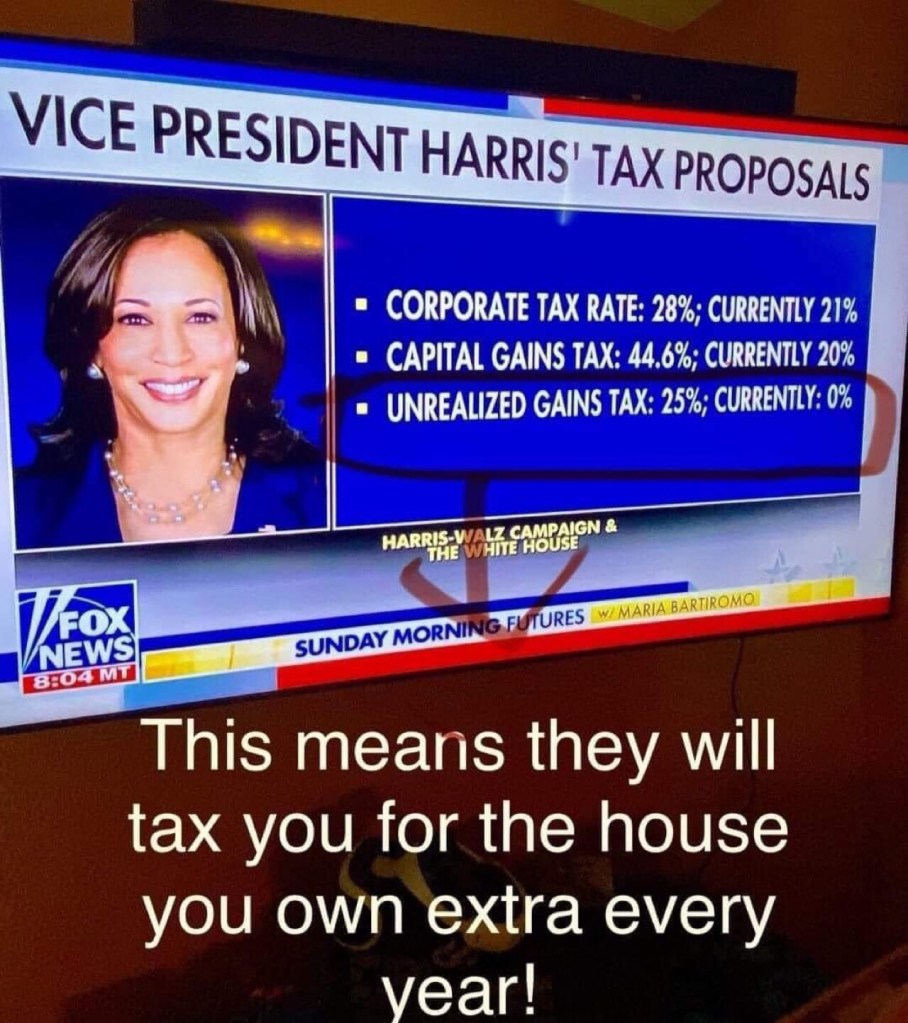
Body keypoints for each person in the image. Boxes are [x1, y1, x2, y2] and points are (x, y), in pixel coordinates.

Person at [14, 194, 325, 549]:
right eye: (134, 319)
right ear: (92, 349)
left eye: (200, 317)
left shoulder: (327, 496)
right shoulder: (21, 513)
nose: (172, 353)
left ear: (242, 338)